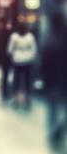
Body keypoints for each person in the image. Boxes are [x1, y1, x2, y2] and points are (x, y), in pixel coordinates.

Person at [41, 12, 67, 146]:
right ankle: (59, 128)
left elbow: (44, 65)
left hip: (52, 82)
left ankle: (53, 130)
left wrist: (44, 81)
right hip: (63, 81)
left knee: (52, 109)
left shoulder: (48, 42)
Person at [7, 21, 37, 109]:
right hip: (28, 60)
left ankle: (16, 99)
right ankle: (27, 99)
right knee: (27, 80)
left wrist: (13, 56)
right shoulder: (30, 37)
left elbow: (9, 50)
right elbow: (34, 49)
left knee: (16, 80)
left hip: (17, 60)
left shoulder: (14, 37)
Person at [0, 17, 12, 101]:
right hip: (9, 56)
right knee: (7, 74)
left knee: (4, 74)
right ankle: (6, 91)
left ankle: (4, 90)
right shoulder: (10, 32)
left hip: (1, 56)